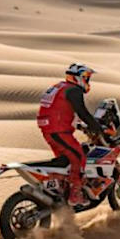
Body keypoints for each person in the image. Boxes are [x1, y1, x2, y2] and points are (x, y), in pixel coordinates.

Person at [36, 62, 104, 206]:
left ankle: (60, 191)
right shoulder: (74, 91)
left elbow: (61, 109)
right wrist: (96, 127)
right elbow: (82, 111)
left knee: (66, 160)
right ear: (78, 77)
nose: (87, 81)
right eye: (86, 77)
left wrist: (80, 125)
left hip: (49, 129)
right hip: (59, 130)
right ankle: (75, 194)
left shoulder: (59, 87)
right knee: (79, 157)